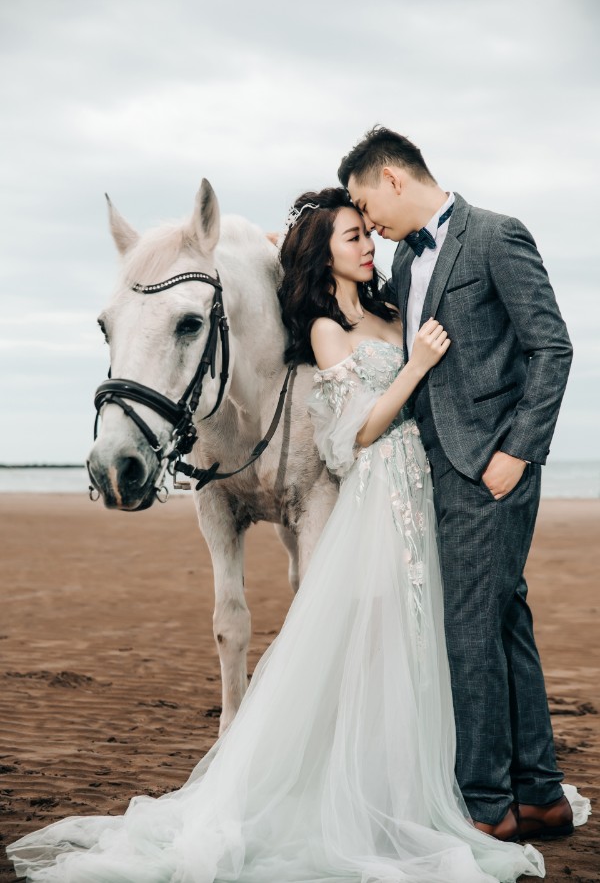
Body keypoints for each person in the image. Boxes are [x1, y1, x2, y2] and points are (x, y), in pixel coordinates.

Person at [8, 187, 561, 883]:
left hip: (421, 487)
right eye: (353, 237)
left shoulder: (391, 304)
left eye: (367, 234)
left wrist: (284, 245)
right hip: (384, 478)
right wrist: (413, 363)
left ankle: (461, 779)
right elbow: (357, 428)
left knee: (439, 628)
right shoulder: (329, 329)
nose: (369, 246)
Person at [338, 126, 580, 843]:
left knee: (469, 630)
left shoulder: (498, 236)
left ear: (390, 177)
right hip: (433, 474)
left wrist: (519, 452)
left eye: (363, 202)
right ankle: (538, 795)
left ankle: (484, 806)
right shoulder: (407, 269)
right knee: (504, 620)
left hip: (491, 471)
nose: (370, 223)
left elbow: (552, 347)